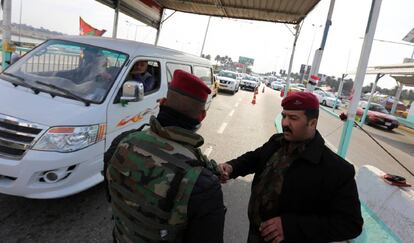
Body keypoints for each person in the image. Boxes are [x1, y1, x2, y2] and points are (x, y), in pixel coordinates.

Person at [219, 92, 363, 243]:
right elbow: (254, 158)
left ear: (312, 123)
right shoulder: (277, 142)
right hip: (256, 234)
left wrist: (290, 227)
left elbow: (350, 224)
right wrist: (232, 167)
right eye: (284, 116)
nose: (285, 123)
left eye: (293, 118)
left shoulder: (337, 170)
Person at [106, 70, 225, 243]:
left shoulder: (122, 141)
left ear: (162, 103)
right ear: (202, 116)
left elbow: (111, 195)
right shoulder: (203, 184)